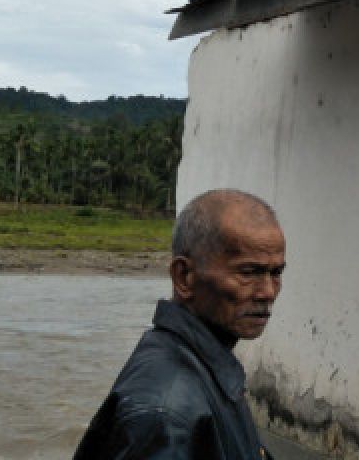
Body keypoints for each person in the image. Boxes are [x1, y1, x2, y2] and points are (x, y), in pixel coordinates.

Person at [74, 190, 286, 460]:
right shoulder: (167, 414)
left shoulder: (205, 369)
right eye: (248, 272)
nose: (267, 292)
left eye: (276, 273)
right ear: (184, 277)